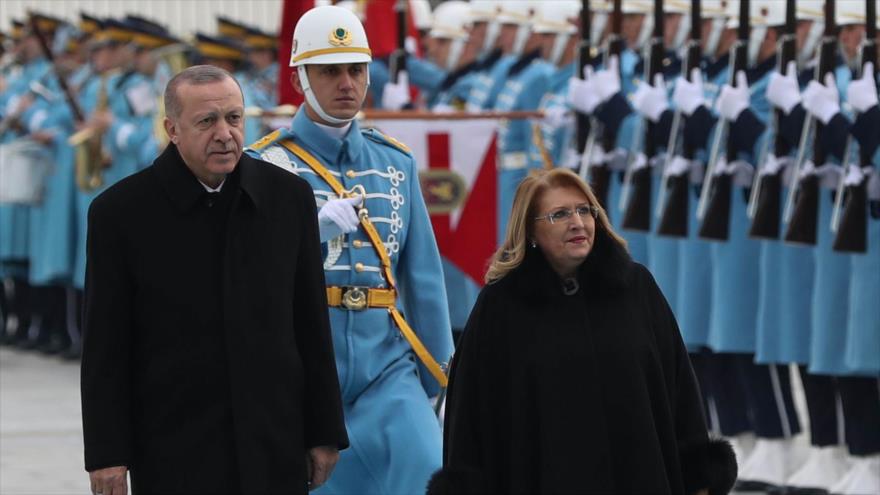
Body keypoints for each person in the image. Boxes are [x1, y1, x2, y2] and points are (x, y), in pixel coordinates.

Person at [80, 65, 348, 495]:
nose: (225, 133)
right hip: (173, 444)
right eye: (206, 121)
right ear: (172, 129)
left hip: (272, 440)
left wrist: (324, 431)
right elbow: (105, 346)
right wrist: (107, 453)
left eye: (234, 118)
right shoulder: (120, 214)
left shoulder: (288, 199)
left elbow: (310, 324)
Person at [246, 5, 454, 494]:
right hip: (303, 367)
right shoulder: (266, 164)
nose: (346, 83)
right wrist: (307, 232)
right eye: (329, 71)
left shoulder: (394, 160)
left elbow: (423, 275)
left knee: (429, 470)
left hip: (387, 366)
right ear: (300, 78)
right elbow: (248, 273)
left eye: (356, 69)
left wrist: (437, 371)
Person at [433, 168, 737, 494]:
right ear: (530, 230)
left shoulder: (636, 288)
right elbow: (469, 416)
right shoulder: (500, 306)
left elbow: (680, 390)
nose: (577, 222)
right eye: (560, 214)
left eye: (584, 210)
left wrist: (699, 480)